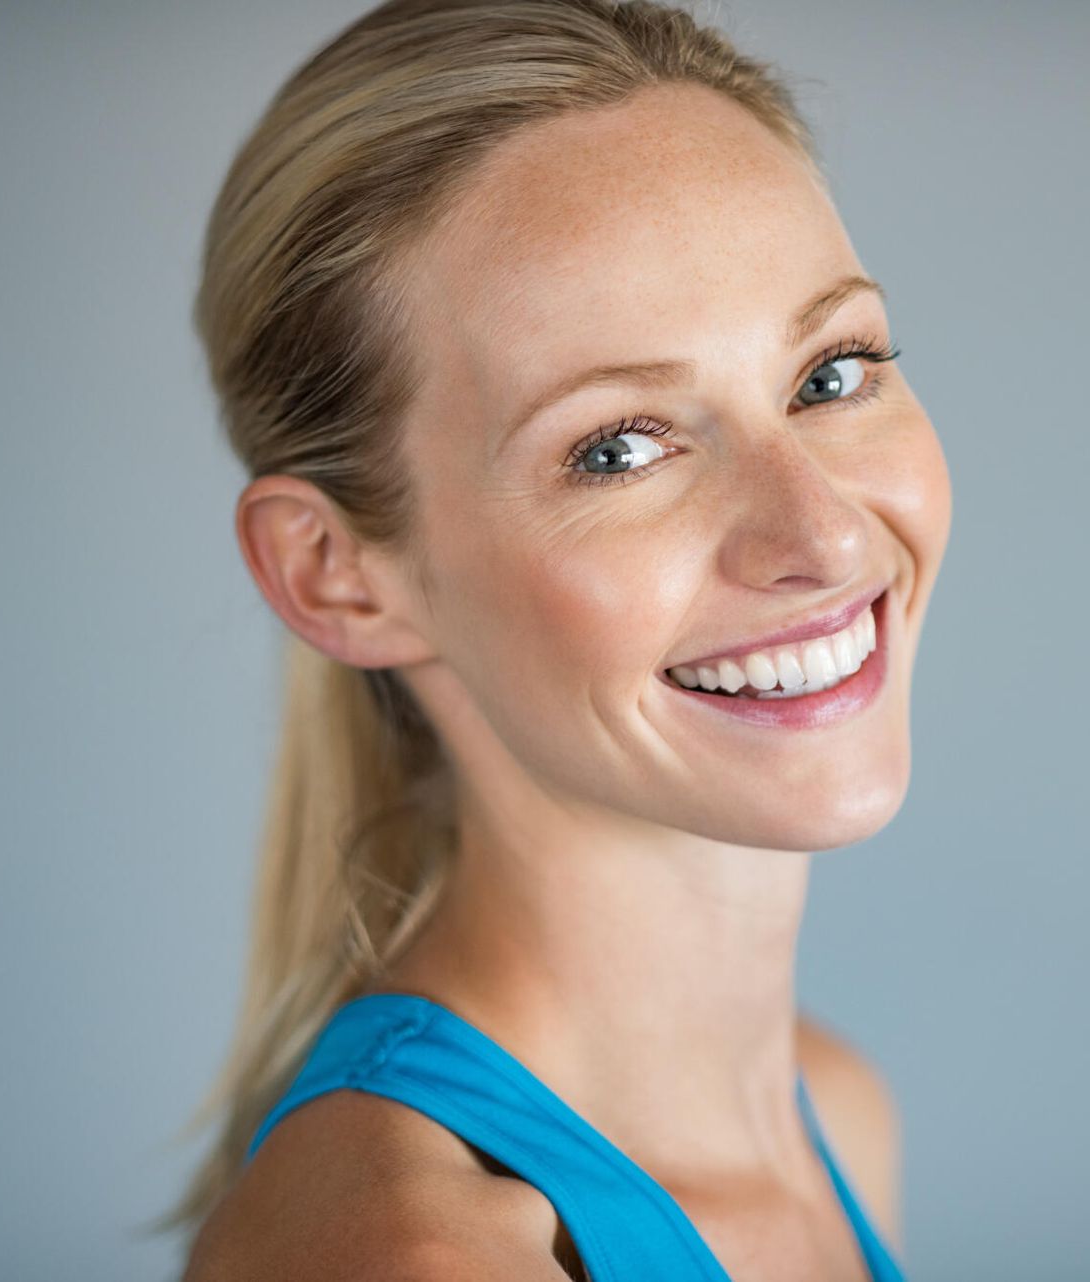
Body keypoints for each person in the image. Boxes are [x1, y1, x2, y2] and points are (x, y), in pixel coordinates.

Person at [160, 0, 951, 1276]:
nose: (826, 538)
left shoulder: (837, 1117)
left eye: (831, 373)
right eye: (619, 448)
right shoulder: (417, 1251)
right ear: (341, 576)